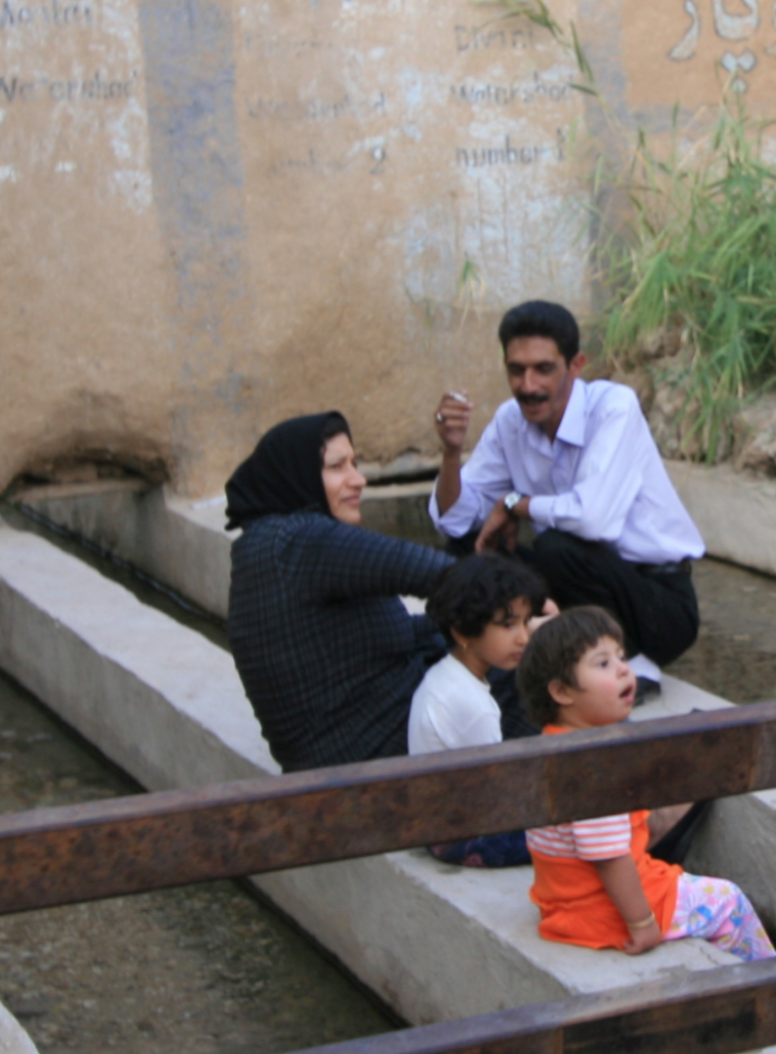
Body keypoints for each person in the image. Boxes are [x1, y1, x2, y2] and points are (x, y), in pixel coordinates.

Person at [431, 301, 706, 696]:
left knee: (557, 547)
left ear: (575, 366)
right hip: (575, 587)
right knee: (468, 548)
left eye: (543, 369)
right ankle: (504, 655)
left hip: (657, 603)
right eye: (516, 370)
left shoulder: (614, 407)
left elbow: (593, 520)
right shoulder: (511, 420)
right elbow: (454, 519)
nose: (528, 385)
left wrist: (514, 503)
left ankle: (628, 662)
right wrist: (451, 453)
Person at [519, 608, 776, 962]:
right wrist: (641, 923)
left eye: (621, 657)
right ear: (562, 691)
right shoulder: (594, 768)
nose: (624, 668)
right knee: (728, 900)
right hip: (600, 911)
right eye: (603, 664)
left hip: (565, 901)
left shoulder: (552, 745)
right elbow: (609, 858)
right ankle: (771, 988)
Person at [225, 412, 464, 773]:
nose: (358, 479)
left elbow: (391, 633)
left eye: (354, 464)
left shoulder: (265, 544)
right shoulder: (300, 540)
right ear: (298, 476)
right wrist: (525, 601)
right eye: (337, 467)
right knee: (526, 674)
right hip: (372, 763)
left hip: (344, 755)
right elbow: (429, 571)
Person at [412, 553, 547, 868]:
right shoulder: (471, 703)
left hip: (441, 824)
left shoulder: (445, 675)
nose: (524, 637)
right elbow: (496, 795)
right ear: (462, 632)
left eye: (526, 622)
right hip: (468, 838)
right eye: (508, 625)